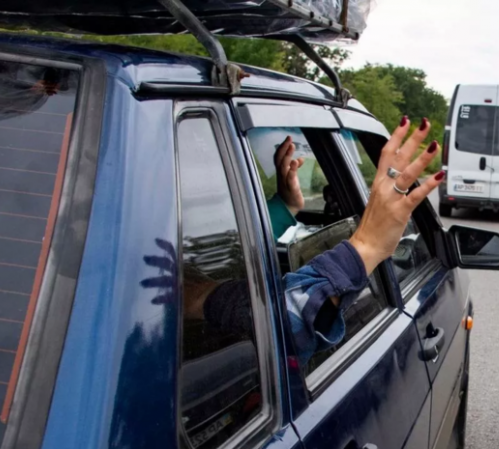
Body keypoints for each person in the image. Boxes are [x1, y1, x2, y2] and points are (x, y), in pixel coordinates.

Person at [183, 116, 444, 365]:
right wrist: (366, 247)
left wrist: (285, 206)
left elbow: (234, 248)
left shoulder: (161, 240)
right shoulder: (164, 286)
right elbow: (287, 323)